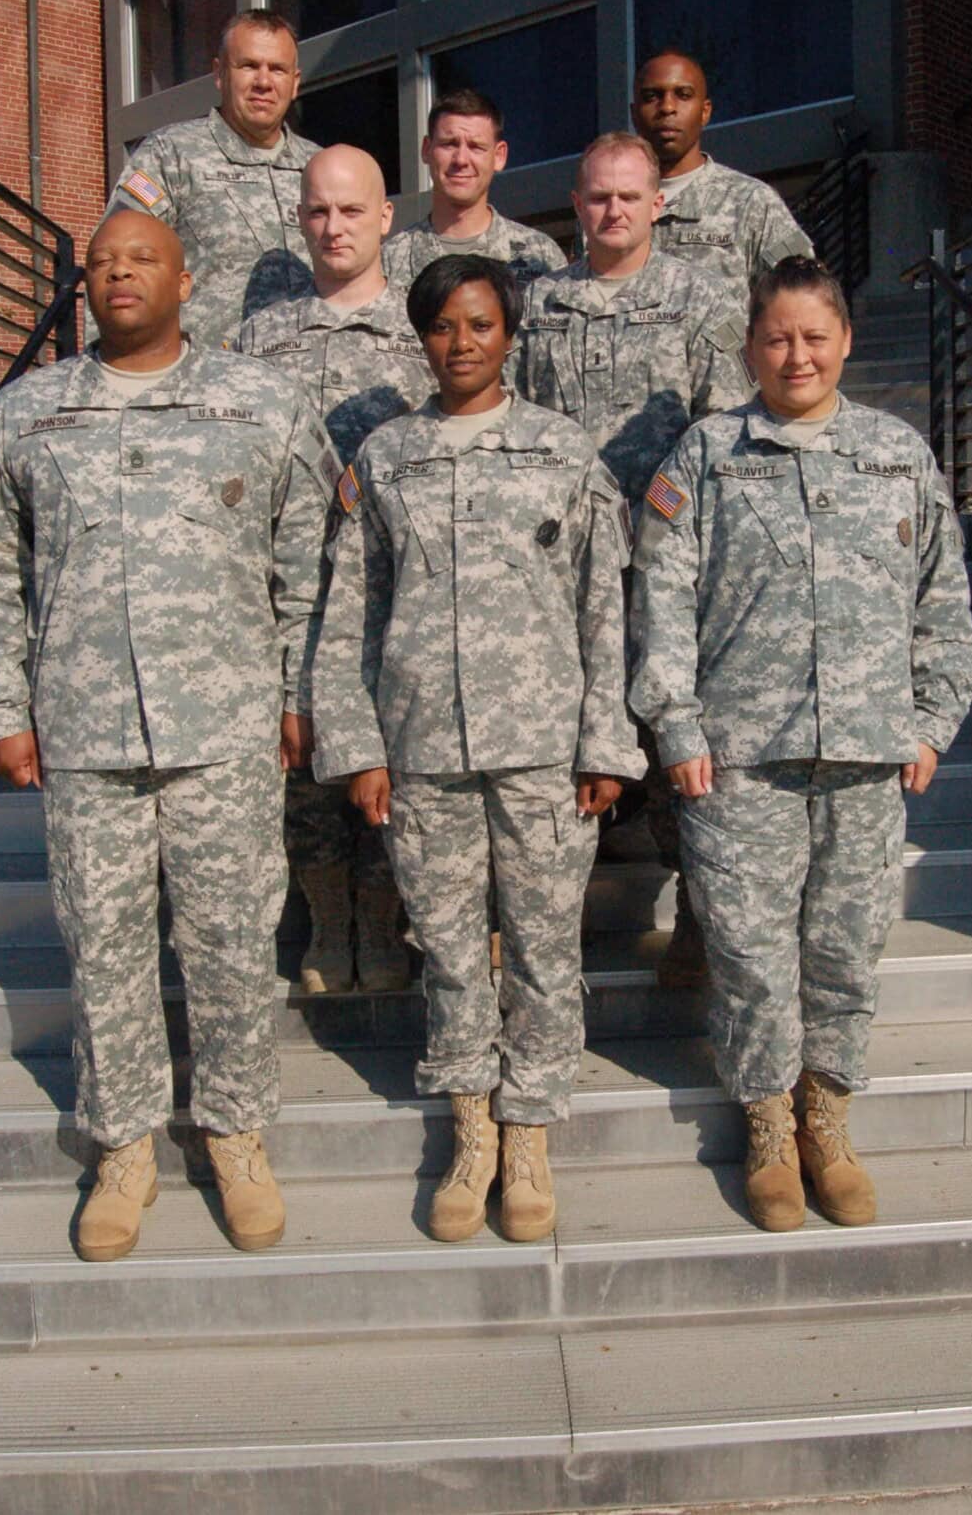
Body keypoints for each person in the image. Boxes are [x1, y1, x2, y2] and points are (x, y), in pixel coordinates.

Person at [0, 210, 338, 1263]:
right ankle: (124, 1143)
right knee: (105, 940)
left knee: (229, 939)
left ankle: (234, 1130)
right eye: (102, 261)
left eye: (142, 258)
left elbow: (311, 562)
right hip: (84, 731)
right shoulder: (28, 415)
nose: (119, 274)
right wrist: (1, 706)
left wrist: (303, 693)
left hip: (227, 729)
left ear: (186, 276)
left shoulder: (260, 402)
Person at [629, 256, 972, 1233]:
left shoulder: (897, 453)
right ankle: (769, 1127)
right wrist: (677, 723)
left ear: (844, 341)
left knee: (846, 951)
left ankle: (828, 1117)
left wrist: (933, 720)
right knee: (748, 953)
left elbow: (941, 596)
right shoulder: (706, 454)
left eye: (814, 336)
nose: (797, 354)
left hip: (869, 753)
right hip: (740, 757)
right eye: (778, 336)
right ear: (751, 345)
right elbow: (659, 598)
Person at [314, 255, 643, 1243]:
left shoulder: (563, 450)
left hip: (544, 747)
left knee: (543, 947)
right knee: (453, 950)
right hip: (423, 747)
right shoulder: (385, 456)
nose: (461, 343)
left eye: (480, 325)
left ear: (508, 334)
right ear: (422, 338)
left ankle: (530, 1125)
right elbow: (350, 614)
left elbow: (604, 607)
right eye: (443, 327)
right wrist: (358, 743)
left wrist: (607, 739)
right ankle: (472, 1127)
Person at [516, 131, 751, 986]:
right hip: (563, 566)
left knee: (672, 734)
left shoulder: (698, 299)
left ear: (659, 203)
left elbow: (722, 432)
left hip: (663, 564)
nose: (611, 211)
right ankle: (542, 920)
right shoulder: (541, 303)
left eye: (627, 196)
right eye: (596, 197)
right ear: (576, 206)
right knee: (561, 736)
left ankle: (696, 913)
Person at [237, 145, 432, 994]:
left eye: (351, 210)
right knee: (304, 759)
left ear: (386, 216)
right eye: (317, 211)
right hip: (294, 586)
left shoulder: (427, 331)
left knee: (401, 749)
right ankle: (325, 917)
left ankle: (385, 917)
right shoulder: (256, 339)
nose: (333, 227)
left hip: (401, 588)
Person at [106, 10, 318, 349]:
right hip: (204, 390)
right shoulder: (171, 155)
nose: (263, 82)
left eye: (277, 69)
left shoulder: (320, 168)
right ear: (219, 73)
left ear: (294, 83)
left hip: (305, 387)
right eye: (248, 66)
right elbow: (114, 264)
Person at [631, 48, 813, 292]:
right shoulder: (605, 208)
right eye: (652, 96)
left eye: (683, 95)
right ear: (634, 113)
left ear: (705, 112)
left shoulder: (751, 203)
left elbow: (803, 298)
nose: (667, 107)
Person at [381, 88, 566, 290]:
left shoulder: (539, 256)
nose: (461, 159)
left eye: (476, 146)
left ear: (499, 156)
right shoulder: (391, 262)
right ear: (426, 150)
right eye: (449, 144)